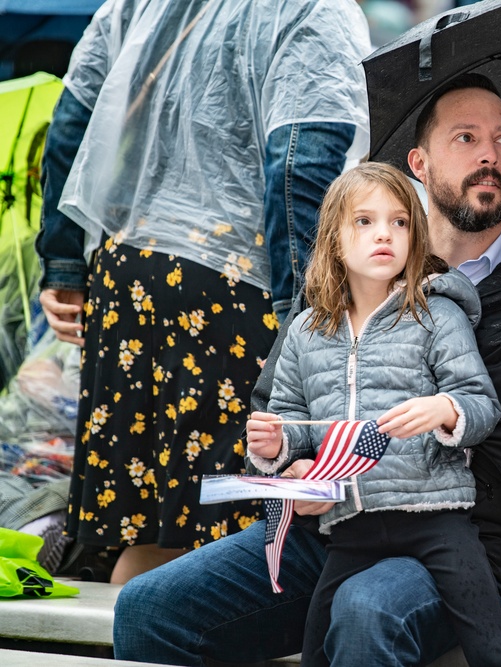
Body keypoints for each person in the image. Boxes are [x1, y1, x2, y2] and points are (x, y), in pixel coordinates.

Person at [113, 73, 501, 666]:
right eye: (466, 138)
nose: (490, 154)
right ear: (418, 162)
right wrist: (292, 470)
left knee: (367, 608)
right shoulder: (347, 282)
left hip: (462, 549)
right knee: (147, 609)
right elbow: (274, 420)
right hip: (332, 531)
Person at [34, 0, 370, 584]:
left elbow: (73, 120)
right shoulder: (314, 8)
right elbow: (299, 165)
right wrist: (306, 315)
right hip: (228, 290)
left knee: (149, 527)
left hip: (126, 277)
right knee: (226, 538)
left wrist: (64, 262)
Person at [247, 162, 501, 667]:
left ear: (416, 234)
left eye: (400, 222)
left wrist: (445, 409)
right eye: (364, 222)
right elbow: (288, 424)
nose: (384, 235)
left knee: (491, 647)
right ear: (334, 238)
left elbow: (482, 405)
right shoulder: (306, 330)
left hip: (438, 520)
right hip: (350, 527)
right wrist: (278, 454)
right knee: (317, 651)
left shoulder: (437, 314)